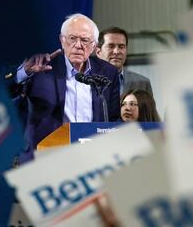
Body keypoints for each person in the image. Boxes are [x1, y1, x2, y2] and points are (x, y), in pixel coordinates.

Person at [11, 13, 120, 160]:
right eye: (72, 38)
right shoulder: (41, 67)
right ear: (62, 40)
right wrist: (24, 72)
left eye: (85, 40)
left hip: (90, 158)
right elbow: (7, 93)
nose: (78, 45)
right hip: (44, 156)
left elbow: (113, 119)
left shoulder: (107, 72)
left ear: (94, 46)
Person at [96, 26, 153, 96]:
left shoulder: (142, 83)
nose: (116, 52)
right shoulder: (86, 83)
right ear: (98, 52)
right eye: (111, 46)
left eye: (121, 47)